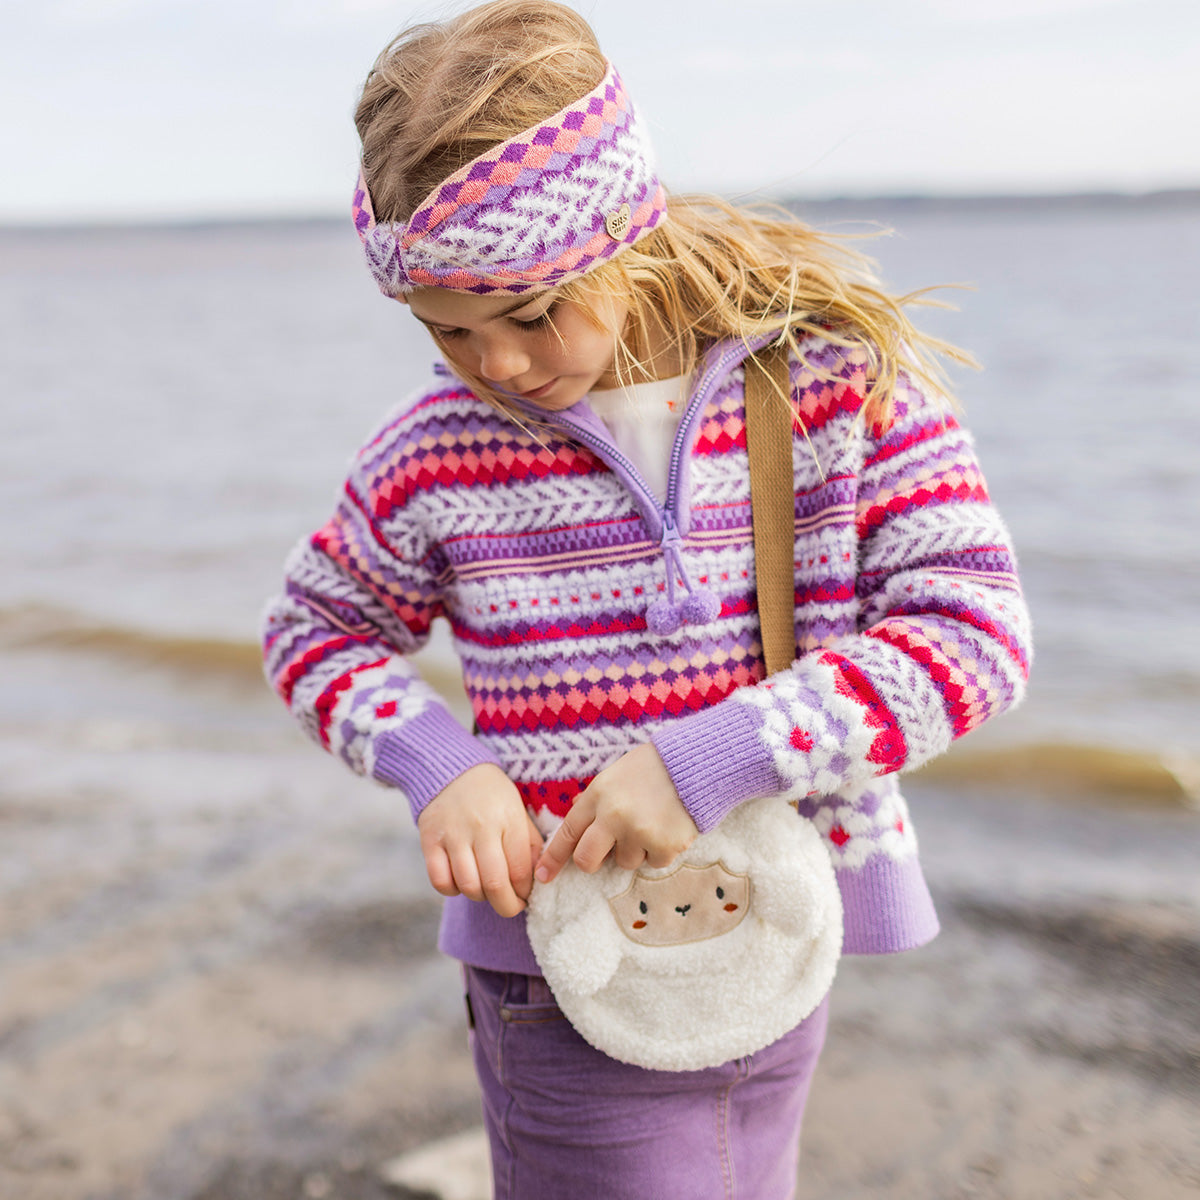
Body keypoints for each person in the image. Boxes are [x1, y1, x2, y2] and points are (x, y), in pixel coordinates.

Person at [262, 2, 1032, 1195]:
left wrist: (713, 757)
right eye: (448, 330)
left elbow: (974, 634)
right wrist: (438, 763)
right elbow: (315, 629)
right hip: (558, 967)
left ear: (626, 230)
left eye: (528, 314)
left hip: (775, 925)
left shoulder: (830, 384)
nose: (499, 365)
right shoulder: (436, 448)